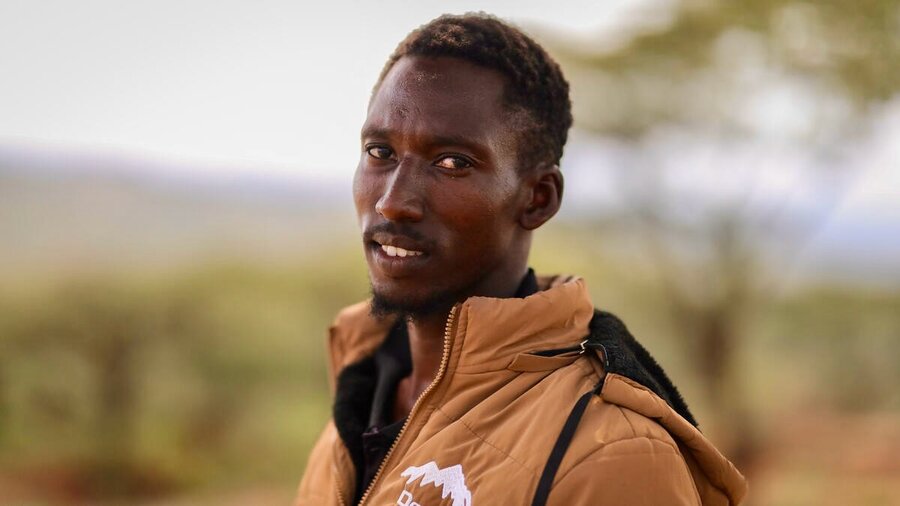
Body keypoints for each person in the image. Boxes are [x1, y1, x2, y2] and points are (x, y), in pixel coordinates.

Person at [294, 12, 747, 506]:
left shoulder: (612, 455)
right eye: (380, 151)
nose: (393, 202)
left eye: (452, 162)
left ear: (537, 198)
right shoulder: (362, 391)